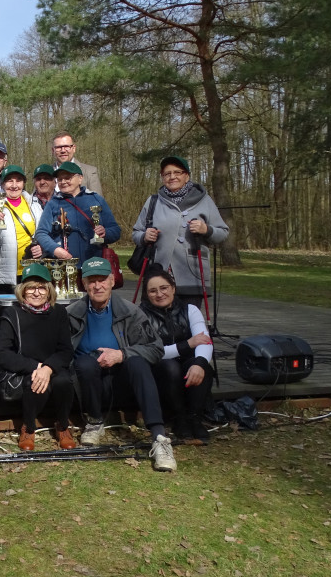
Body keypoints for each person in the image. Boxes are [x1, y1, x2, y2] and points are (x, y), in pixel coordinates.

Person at [67, 257, 175, 472]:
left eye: (102, 280)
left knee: (137, 362)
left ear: (112, 281)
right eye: (91, 281)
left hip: (124, 381)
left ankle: (159, 438)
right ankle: (95, 422)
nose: (97, 286)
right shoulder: (71, 313)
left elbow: (156, 348)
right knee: (86, 363)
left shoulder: (131, 312)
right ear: (84, 284)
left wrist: (121, 354)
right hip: (87, 383)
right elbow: (60, 350)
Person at [0, 263, 77, 450]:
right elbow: (0, 353)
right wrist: (36, 367)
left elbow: (66, 350)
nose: (36, 293)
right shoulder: (11, 314)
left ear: (49, 290)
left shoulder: (59, 312)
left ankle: (63, 425)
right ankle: (28, 428)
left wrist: (48, 367)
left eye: (41, 287)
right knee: (35, 382)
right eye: (30, 288)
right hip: (26, 369)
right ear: (22, 290)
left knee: (63, 381)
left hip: (53, 367)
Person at [132, 156, 230, 308]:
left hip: (191, 275)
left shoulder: (204, 200)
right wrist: (145, 236)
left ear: (187, 176)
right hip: (158, 275)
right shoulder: (153, 201)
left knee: (189, 324)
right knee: (153, 323)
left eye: (177, 172)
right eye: (167, 174)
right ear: (162, 177)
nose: (172, 177)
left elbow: (222, 233)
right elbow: (136, 233)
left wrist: (206, 229)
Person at [139, 265, 214, 443]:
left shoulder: (190, 310)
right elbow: (151, 351)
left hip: (186, 361)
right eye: (153, 291)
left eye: (164, 288)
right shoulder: (141, 315)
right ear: (147, 294)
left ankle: (195, 418)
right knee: (171, 367)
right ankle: (179, 418)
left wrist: (200, 363)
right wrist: (187, 344)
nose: (159, 294)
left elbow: (205, 340)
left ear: (173, 288)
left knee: (202, 366)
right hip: (158, 366)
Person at [35, 162, 120, 264]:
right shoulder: (53, 204)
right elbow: (41, 233)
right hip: (64, 264)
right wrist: (55, 250)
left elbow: (115, 230)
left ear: (80, 178)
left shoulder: (96, 199)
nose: (63, 182)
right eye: (60, 179)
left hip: (94, 264)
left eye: (68, 178)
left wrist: (106, 233)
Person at [0, 165, 44, 295]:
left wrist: (42, 248)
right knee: (5, 314)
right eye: (9, 181)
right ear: (2, 184)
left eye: (18, 180)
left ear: (24, 183)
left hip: (30, 271)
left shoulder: (34, 206)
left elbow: (43, 234)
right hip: (3, 275)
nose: (14, 185)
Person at [51, 130, 103, 196]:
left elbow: (97, 203)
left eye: (67, 146)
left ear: (73, 148)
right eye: (58, 147)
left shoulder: (90, 172)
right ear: (53, 150)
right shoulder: (44, 174)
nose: (63, 150)